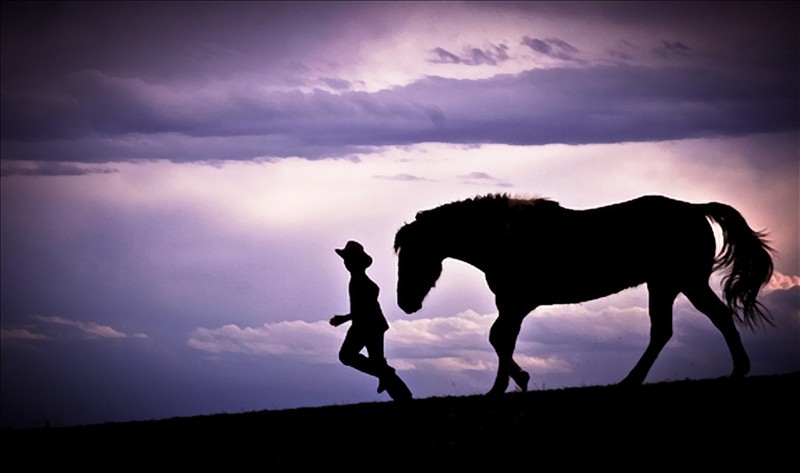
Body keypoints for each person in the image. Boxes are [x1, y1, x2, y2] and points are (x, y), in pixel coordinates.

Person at [330, 240, 411, 400]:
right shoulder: (359, 280)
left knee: (347, 356)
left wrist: (344, 318)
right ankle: (402, 395)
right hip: (370, 324)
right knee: (376, 362)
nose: (346, 263)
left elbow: (364, 309)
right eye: (346, 260)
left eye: (349, 259)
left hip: (366, 325)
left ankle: (391, 380)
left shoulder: (359, 282)